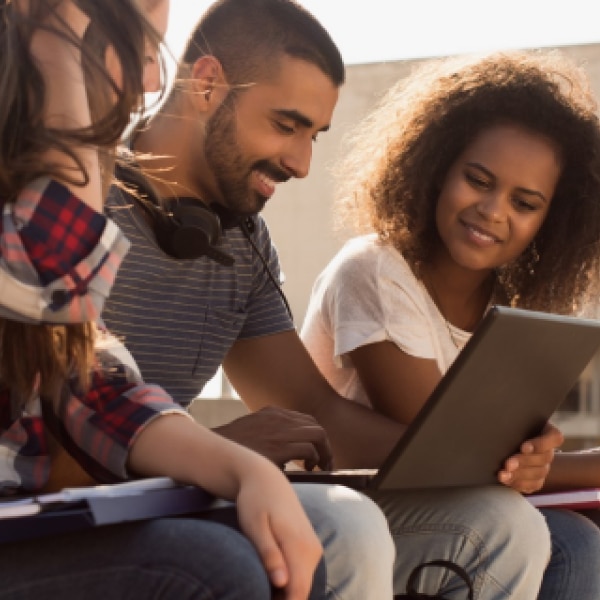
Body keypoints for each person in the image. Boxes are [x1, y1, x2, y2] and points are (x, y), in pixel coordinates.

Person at [101, 1, 563, 597]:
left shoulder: (243, 238)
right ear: (208, 84)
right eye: (286, 124)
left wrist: (491, 461)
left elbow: (313, 406)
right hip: (109, 501)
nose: (301, 162)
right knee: (347, 527)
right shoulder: (75, 206)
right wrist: (212, 452)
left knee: (499, 526)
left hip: (190, 486)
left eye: (314, 136)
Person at [0, 1, 327, 598]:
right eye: (139, 48)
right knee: (207, 566)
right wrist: (59, 47)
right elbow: (45, 277)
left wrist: (245, 470)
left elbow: (89, 383)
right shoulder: (52, 227)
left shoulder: (242, 245)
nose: (153, 80)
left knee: (303, 535)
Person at [300, 50, 600, 599]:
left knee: (582, 545)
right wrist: (579, 466)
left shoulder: (510, 310)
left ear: (551, 221)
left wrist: (539, 457)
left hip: (452, 504)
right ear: (437, 167)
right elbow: (450, 454)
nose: (493, 209)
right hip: (347, 509)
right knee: (507, 526)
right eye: (478, 179)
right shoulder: (374, 270)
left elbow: (504, 455)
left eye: (525, 202)